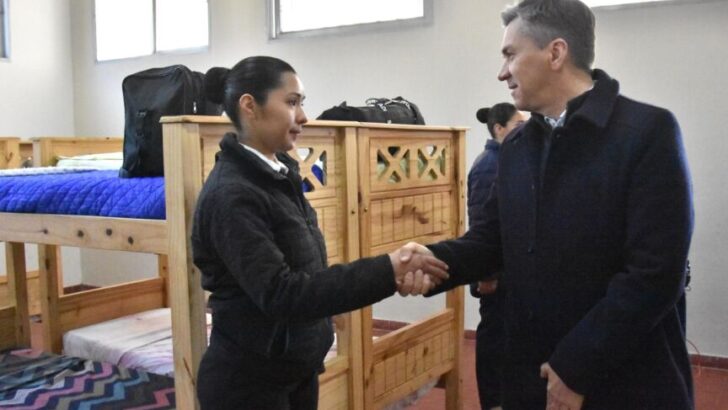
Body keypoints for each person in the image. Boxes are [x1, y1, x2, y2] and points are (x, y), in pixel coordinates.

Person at [401, 0, 694, 408]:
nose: (501, 72)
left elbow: (655, 274)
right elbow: (492, 242)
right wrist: (430, 262)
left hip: (620, 377)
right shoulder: (517, 147)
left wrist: (575, 367)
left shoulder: (646, 132)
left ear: (556, 52)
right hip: (532, 373)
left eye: (510, 54)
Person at [191, 56, 449, 410]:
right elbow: (282, 293)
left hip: (294, 371)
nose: (303, 117)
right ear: (250, 106)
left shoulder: (279, 175)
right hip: (249, 384)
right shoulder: (232, 195)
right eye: (292, 102)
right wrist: (388, 270)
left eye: (302, 103)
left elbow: (308, 272)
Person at [467, 103, 526, 410]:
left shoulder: (507, 161)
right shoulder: (491, 165)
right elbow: (482, 225)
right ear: (499, 129)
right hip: (496, 277)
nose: (524, 131)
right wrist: (487, 274)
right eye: (518, 126)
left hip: (507, 274)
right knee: (494, 349)